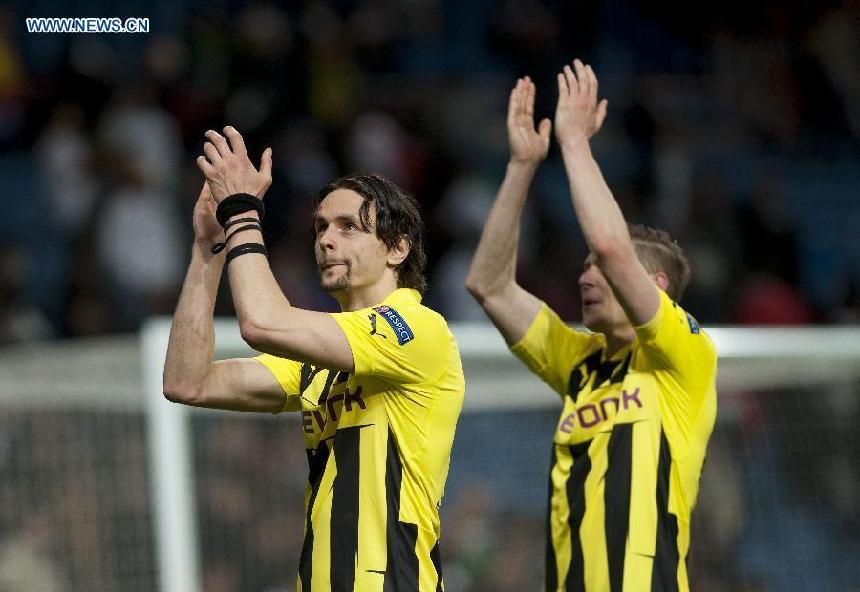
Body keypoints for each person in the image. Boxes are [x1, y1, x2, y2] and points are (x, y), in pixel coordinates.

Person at [163, 126, 464, 592]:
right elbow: (187, 381)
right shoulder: (319, 365)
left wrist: (242, 213)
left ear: (397, 248)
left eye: (348, 227)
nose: (326, 240)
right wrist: (209, 249)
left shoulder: (418, 331)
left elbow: (261, 322)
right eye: (321, 226)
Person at [466, 62, 717, 590]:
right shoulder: (579, 362)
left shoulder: (683, 355)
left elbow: (610, 245)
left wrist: (575, 142)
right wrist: (521, 165)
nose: (587, 273)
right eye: (582, 267)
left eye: (599, 269)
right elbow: (488, 285)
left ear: (656, 285)